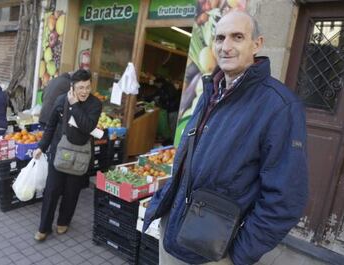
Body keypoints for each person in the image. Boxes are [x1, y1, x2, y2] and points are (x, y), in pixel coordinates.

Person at [143, 11, 308, 265]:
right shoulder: (211, 90)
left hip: (212, 249)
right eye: (220, 38)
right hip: (173, 229)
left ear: (257, 44)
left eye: (237, 37)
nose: (226, 46)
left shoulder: (280, 107)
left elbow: (286, 201)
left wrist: (237, 256)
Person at [32, 69, 102, 241]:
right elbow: (50, 126)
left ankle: (64, 221)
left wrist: (75, 105)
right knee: (52, 190)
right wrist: (42, 146)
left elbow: (87, 126)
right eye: (80, 87)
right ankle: (44, 227)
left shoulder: (95, 104)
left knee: (72, 191)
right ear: (72, 86)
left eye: (87, 87)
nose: (84, 91)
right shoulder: (61, 100)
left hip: (80, 155)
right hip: (59, 152)